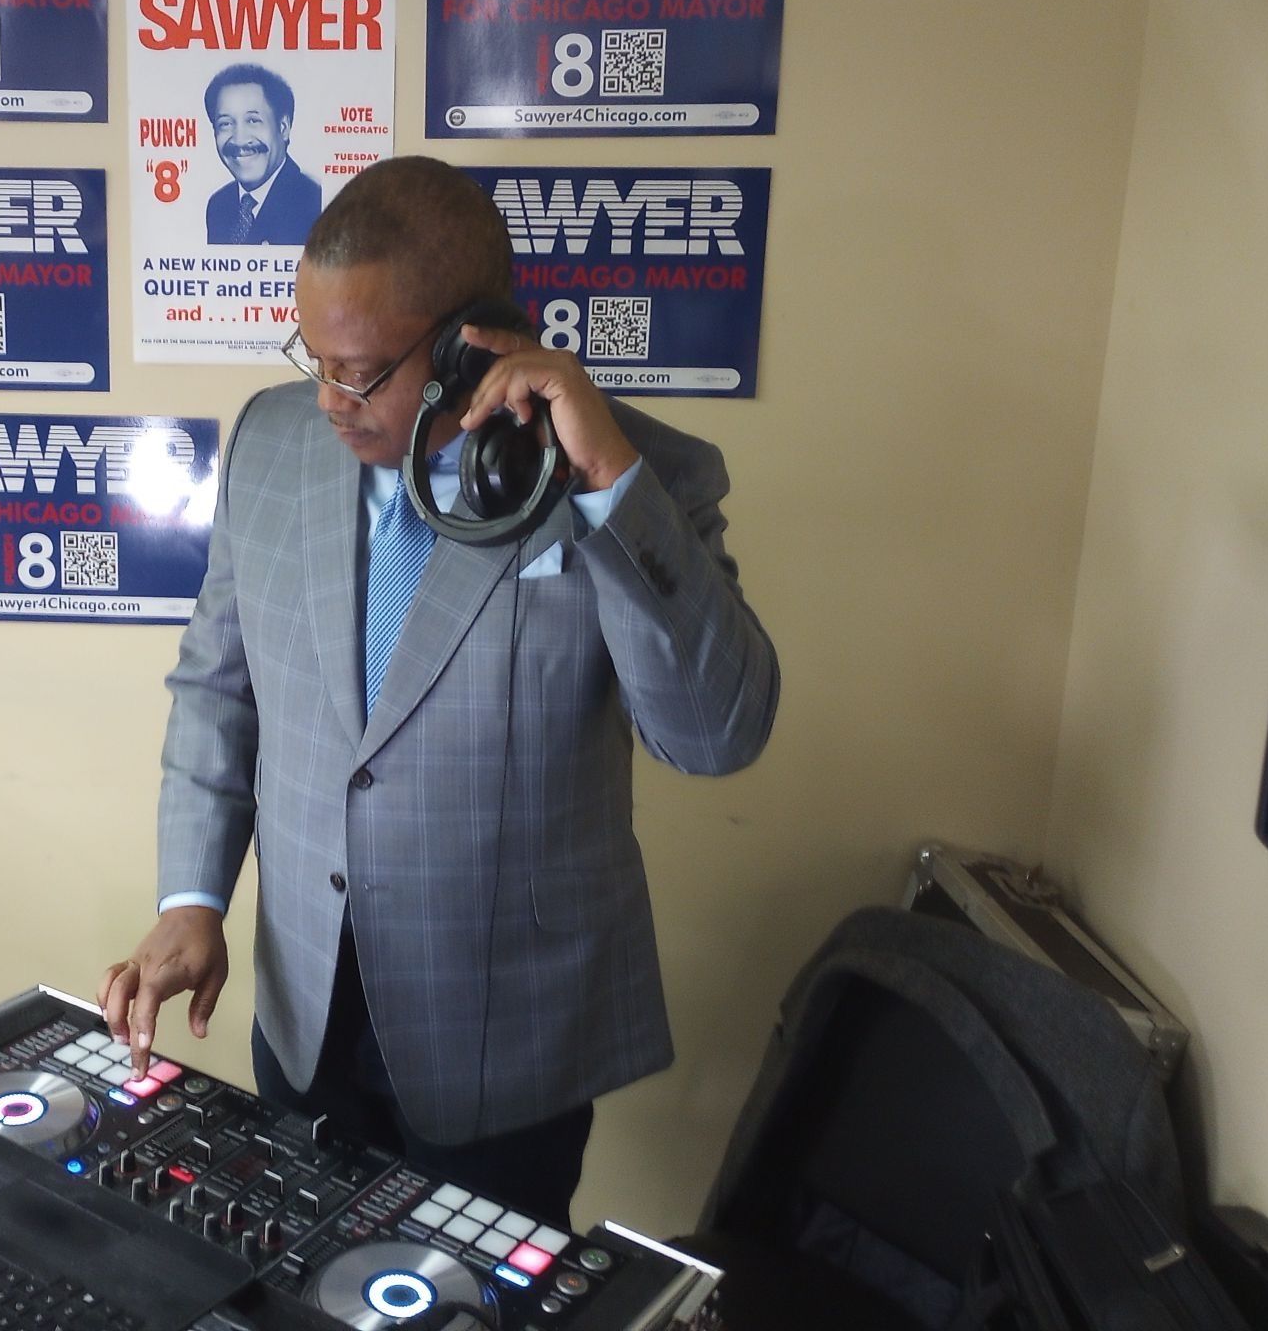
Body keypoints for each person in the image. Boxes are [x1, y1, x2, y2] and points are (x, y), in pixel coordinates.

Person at [100, 156, 778, 1224]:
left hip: (510, 1040)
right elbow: (218, 690)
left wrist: (608, 489)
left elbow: (717, 735)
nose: (328, 399)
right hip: (305, 1010)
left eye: (361, 372)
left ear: (471, 345)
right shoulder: (271, 444)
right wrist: (192, 899)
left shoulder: (629, 472)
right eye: (312, 357)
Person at [201, 63, 323, 246]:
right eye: (225, 124)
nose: (239, 139)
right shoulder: (219, 206)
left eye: (253, 120)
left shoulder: (314, 202)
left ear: (283, 128)